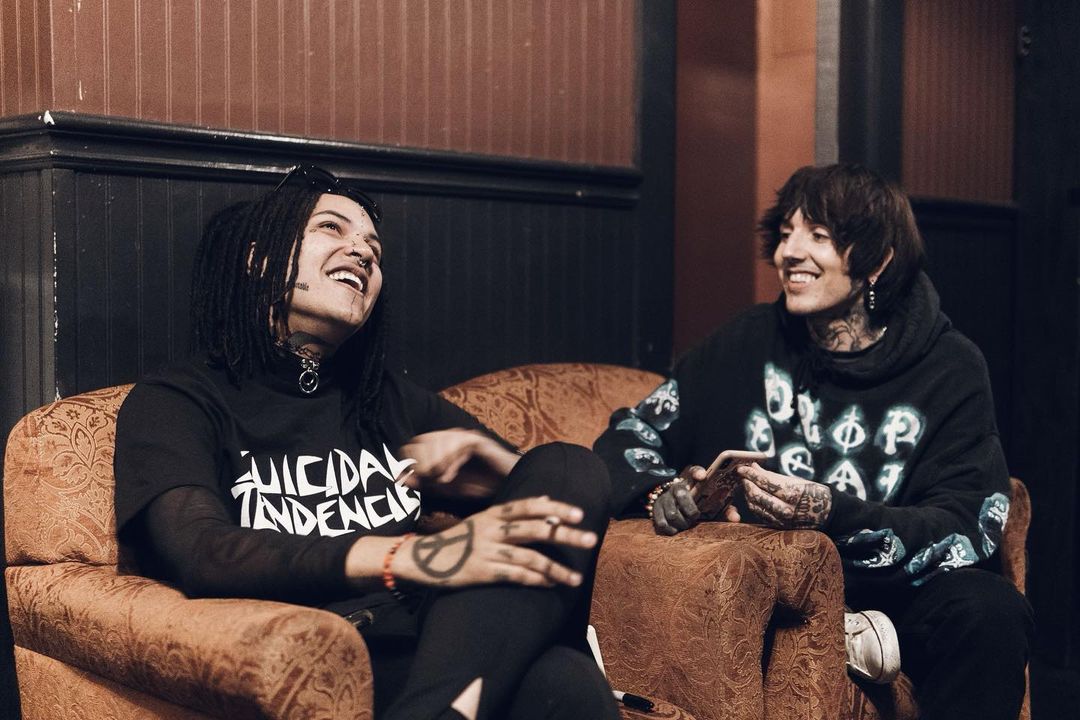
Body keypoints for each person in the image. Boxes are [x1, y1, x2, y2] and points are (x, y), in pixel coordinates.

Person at [114, 165, 620, 720]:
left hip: (441, 636)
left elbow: (558, 499)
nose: (362, 253)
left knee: (569, 465)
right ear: (259, 260)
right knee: (566, 682)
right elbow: (202, 551)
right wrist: (407, 556)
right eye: (331, 228)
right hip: (334, 648)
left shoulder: (387, 400)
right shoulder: (178, 399)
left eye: (374, 250)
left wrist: (501, 470)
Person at [594, 164, 1033, 720]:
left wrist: (834, 514)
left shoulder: (951, 367)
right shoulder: (746, 342)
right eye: (785, 234)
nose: (790, 253)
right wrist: (660, 492)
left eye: (819, 236)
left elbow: (970, 525)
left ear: (877, 261)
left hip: (901, 598)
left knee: (990, 611)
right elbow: (627, 437)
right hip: (776, 596)